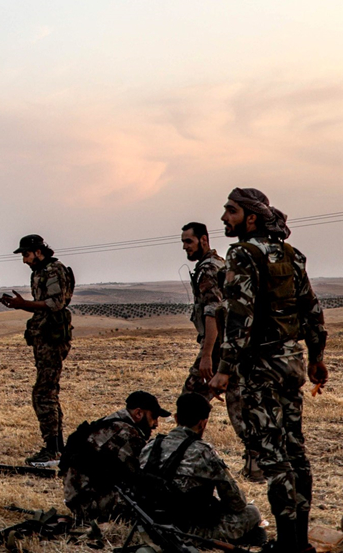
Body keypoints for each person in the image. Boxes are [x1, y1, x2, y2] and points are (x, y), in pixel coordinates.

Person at [209, 188, 328, 553]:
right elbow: (312, 309)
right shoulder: (291, 254)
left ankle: (288, 545)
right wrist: (316, 356)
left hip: (259, 368)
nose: (224, 217)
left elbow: (239, 317)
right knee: (296, 453)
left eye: (231, 211)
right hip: (291, 363)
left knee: (274, 458)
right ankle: (299, 543)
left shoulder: (243, 254)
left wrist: (224, 369)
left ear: (251, 218)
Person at [179, 222, 255, 478]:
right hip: (231, 346)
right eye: (183, 242)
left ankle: (182, 456)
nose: (185, 247)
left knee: (190, 402)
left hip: (218, 348)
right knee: (237, 405)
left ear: (204, 240)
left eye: (189, 241)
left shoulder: (208, 270)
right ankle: (255, 463)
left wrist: (206, 356)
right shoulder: (219, 264)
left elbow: (212, 313)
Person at [138, 393, 265, 546]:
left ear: (176, 418)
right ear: (203, 423)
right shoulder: (203, 451)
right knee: (252, 512)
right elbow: (236, 502)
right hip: (187, 530)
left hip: (149, 524)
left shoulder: (151, 446)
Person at [1, 234, 74, 463]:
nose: (24, 260)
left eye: (26, 254)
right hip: (43, 337)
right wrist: (20, 305)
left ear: (38, 252)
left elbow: (55, 303)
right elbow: (42, 306)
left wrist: (24, 304)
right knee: (48, 392)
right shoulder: (39, 272)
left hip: (52, 338)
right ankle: (57, 448)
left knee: (43, 393)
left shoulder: (53, 270)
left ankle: (53, 450)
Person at [61, 390, 168, 522]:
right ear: (138, 413)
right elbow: (141, 473)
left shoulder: (108, 423)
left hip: (79, 499)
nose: (156, 424)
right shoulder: (126, 433)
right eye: (154, 417)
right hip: (91, 504)